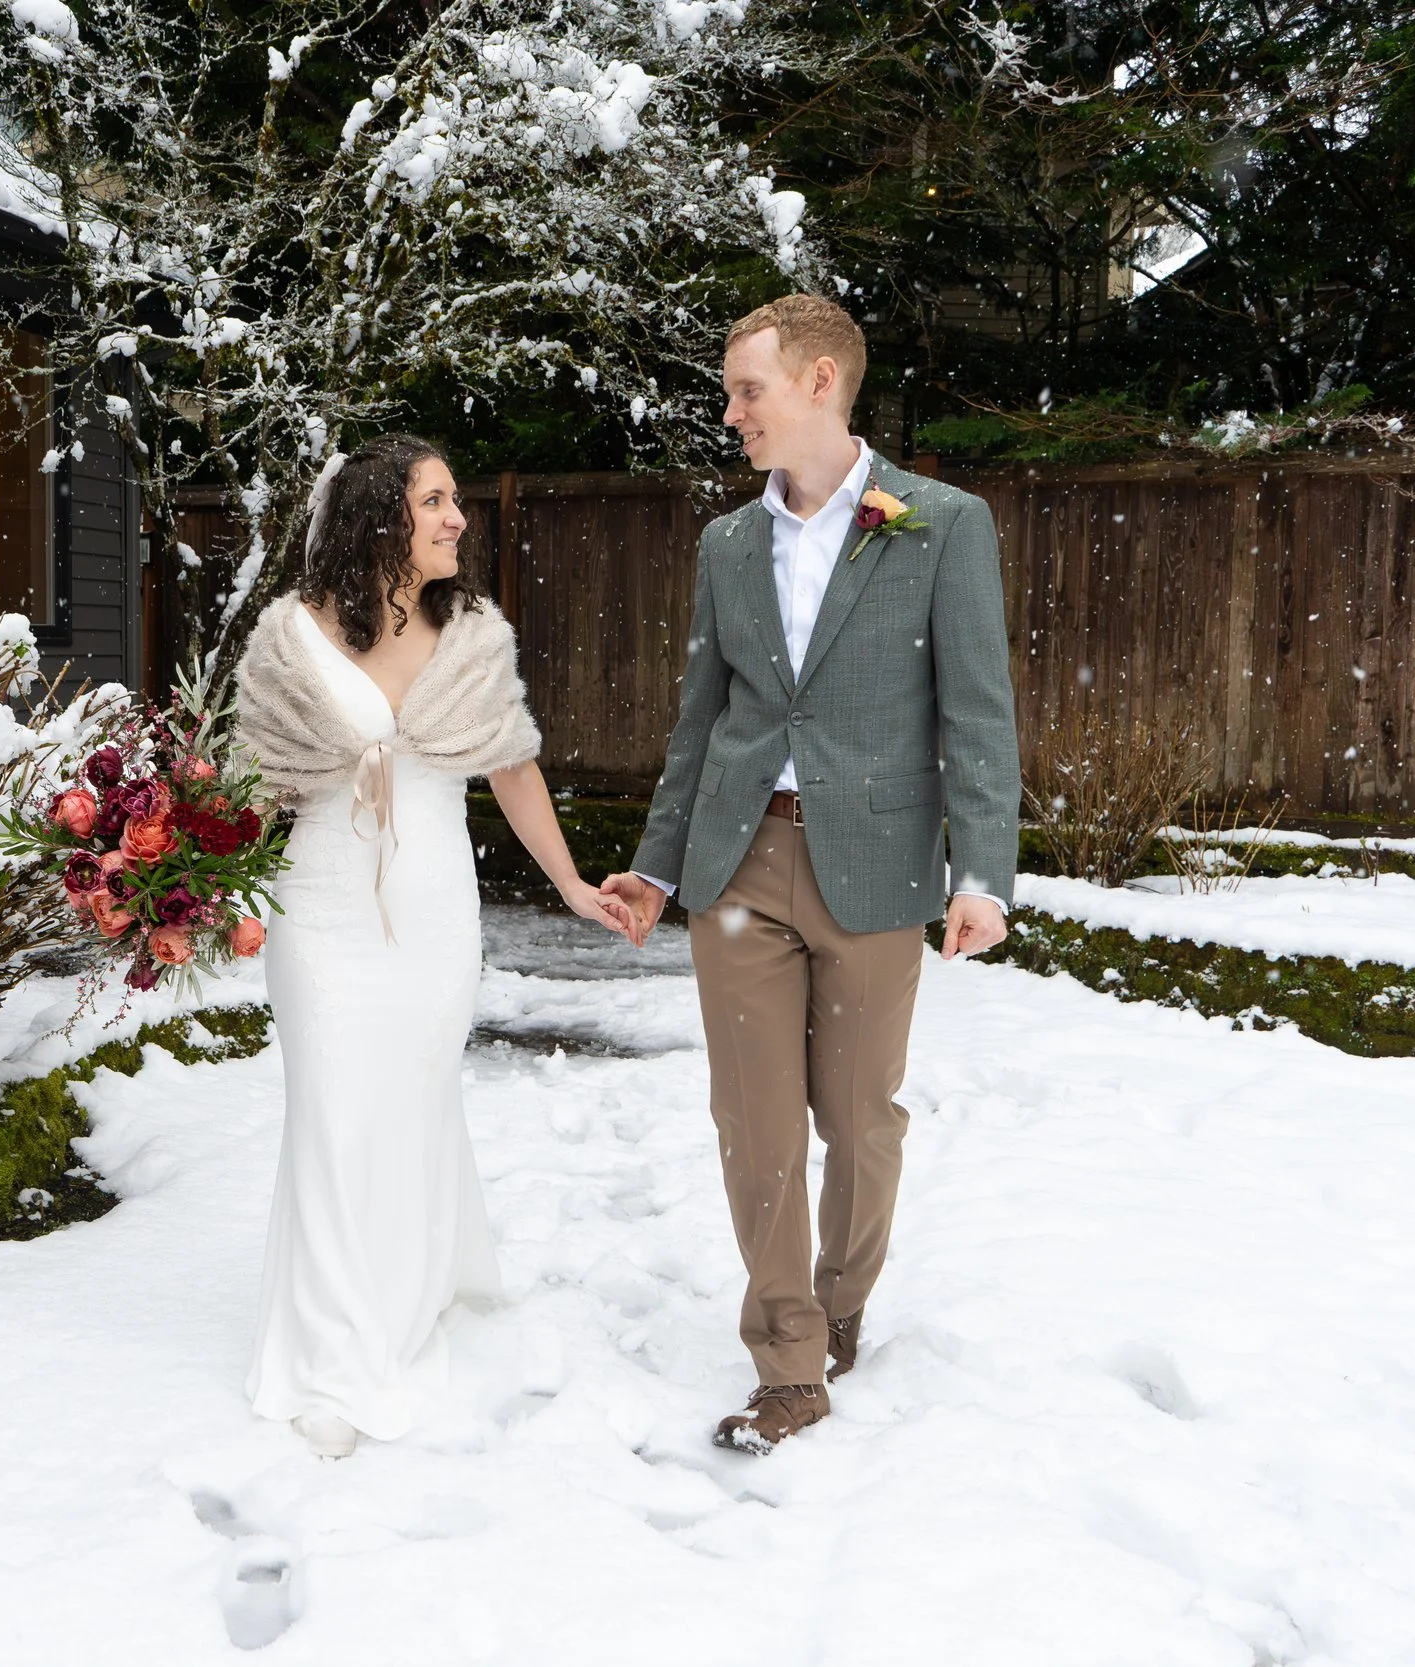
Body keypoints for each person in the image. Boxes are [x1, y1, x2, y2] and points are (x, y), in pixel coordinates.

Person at [601, 295, 1019, 1454]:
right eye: (733, 392)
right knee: (754, 1121)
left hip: (878, 866)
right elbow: (702, 720)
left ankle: (838, 1302)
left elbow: (977, 713)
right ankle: (786, 1357)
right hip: (738, 860)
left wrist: (981, 871)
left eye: (748, 390)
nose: (731, 412)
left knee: (858, 1118)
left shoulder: (939, 524)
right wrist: (654, 863)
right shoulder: (727, 543)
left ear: (821, 381)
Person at [235, 434, 634, 1459]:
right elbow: (244, 783)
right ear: (380, 515)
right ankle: (332, 1354)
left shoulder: (472, 633)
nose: (457, 518)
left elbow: (512, 767)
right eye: (435, 500)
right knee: (330, 1115)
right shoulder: (289, 634)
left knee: (408, 1112)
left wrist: (569, 884)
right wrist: (184, 881)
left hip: (433, 913)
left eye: (456, 500)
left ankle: (408, 1297)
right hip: (320, 908)